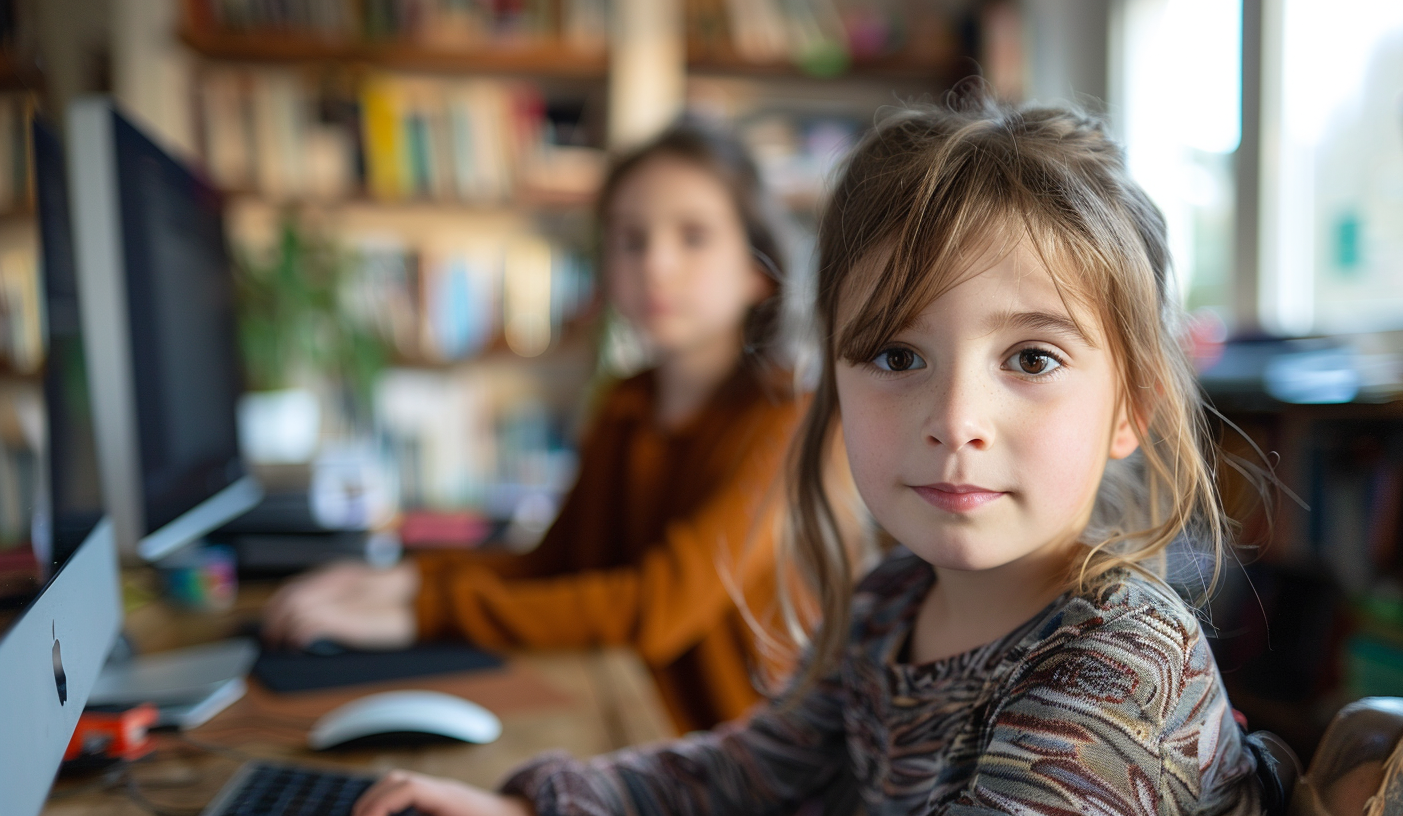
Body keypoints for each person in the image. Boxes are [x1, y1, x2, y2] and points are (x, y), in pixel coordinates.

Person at [349, 96, 1269, 816]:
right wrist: (532, 804)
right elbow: (747, 774)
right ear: (836, 390)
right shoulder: (886, 609)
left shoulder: (1120, 661)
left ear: (1131, 409)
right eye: (898, 357)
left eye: (1031, 359)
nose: (955, 419)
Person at [262, 121, 813, 734]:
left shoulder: (788, 419)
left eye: (694, 236)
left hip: (745, 768)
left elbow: (655, 608)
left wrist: (422, 612)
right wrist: (400, 577)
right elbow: (555, 564)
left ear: (758, 270)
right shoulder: (628, 403)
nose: (656, 264)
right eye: (630, 239)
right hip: (624, 722)